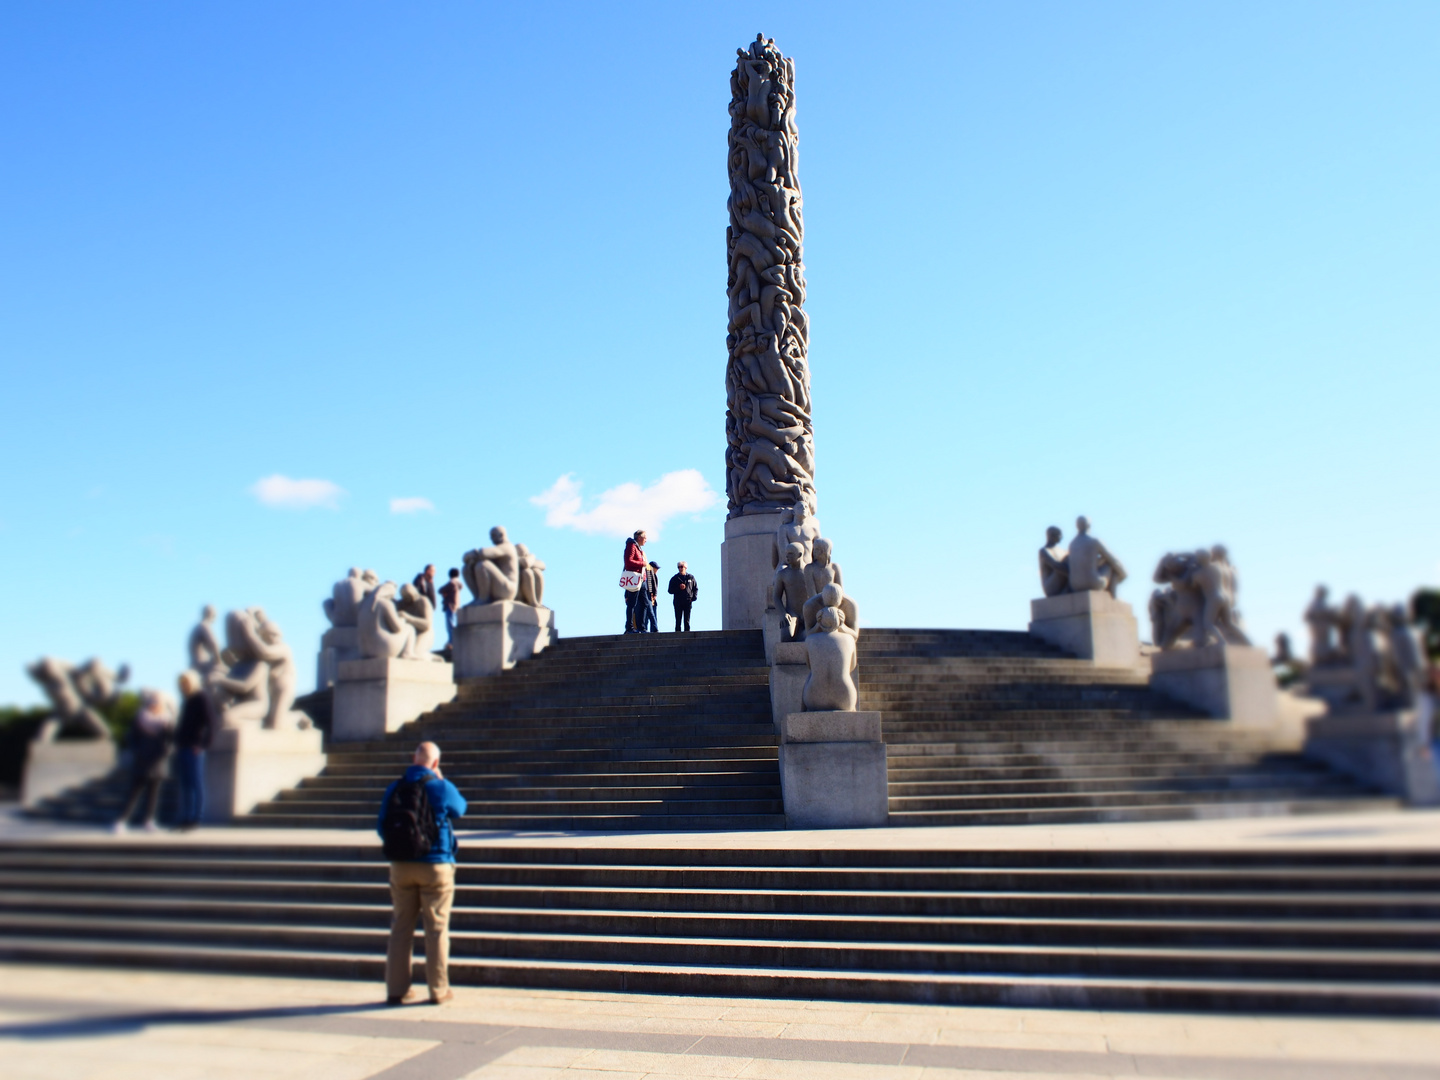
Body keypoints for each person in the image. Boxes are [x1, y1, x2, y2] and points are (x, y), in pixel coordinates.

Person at [377, 741, 467, 1006]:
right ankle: (438, 990)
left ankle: (397, 990)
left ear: (413, 758)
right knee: (437, 928)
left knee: (400, 927)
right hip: (436, 864)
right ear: (436, 763)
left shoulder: (395, 787)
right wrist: (441, 780)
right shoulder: (440, 786)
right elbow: (460, 809)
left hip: (401, 866)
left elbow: (382, 826)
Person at [114, 690, 173, 834]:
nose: (154, 705)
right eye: (151, 702)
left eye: (156, 702)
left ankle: (149, 821)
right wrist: (137, 751)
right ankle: (122, 821)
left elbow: (171, 739)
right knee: (134, 792)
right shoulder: (140, 717)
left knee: (154, 793)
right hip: (141, 760)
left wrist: (167, 750)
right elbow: (132, 737)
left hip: (157, 760)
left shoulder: (167, 719)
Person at [172, 672, 215, 830]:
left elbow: (211, 723)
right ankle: (186, 816)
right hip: (183, 746)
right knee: (186, 784)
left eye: (186, 683)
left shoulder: (201, 698)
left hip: (194, 748)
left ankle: (197, 817)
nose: (184, 686)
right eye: (182, 683)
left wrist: (203, 745)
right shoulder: (187, 700)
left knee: (195, 783)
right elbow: (182, 724)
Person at [622, 530, 647, 633]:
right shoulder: (631, 546)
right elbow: (628, 562)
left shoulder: (638, 548)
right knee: (632, 603)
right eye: (645, 538)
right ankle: (629, 627)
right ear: (640, 538)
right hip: (634, 579)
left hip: (641, 579)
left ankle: (641, 627)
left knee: (645, 603)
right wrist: (642, 563)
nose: (646, 540)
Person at [668, 561, 698, 632]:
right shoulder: (675, 578)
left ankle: (687, 633)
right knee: (678, 619)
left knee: (687, 620)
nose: (680, 568)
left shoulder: (691, 577)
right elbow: (670, 590)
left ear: (686, 567)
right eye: (678, 567)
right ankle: (677, 633)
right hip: (678, 601)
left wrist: (693, 598)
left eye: (681, 567)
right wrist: (679, 588)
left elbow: (695, 588)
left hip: (687, 601)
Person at [438, 568, 463, 649]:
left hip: (450, 606)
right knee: (453, 624)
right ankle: (452, 641)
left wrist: (444, 593)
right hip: (456, 606)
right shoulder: (458, 583)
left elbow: (440, 590)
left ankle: (452, 643)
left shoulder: (452, 583)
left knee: (450, 626)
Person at [638, 561, 661, 633]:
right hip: (643, 593)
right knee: (646, 613)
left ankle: (654, 629)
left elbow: (654, 585)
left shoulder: (652, 574)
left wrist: (654, 595)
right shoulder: (645, 571)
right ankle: (644, 628)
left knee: (651, 612)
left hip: (649, 595)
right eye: (656, 568)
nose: (657, 570)